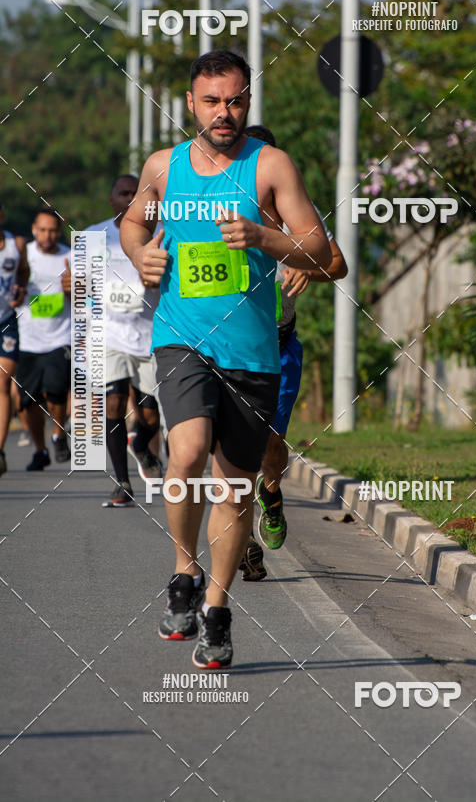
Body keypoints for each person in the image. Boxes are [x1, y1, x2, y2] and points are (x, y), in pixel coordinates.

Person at [121, 49, 331, 668]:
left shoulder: (271, 166)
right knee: (186, 454)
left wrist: (265, 237)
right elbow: (133, 224)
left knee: (235, 490)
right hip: (181, 337)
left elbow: (320, 250)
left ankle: (216, 608)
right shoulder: (162, 167)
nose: (224, 112)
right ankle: (183, 570)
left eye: (235, 100)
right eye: (211, 101)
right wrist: (139, 254)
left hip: (253, 352)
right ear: (191, 103)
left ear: (247, 102)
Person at [238, 127, 348, 580]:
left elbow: (337, 264)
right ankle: (241, 539)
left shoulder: (297, 213)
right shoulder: (217, 209)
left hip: (280, 347)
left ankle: (271, 492)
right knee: (227, 447)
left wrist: (310, 270)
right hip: (228, 346)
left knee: (270, 446)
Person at [86, 175, 163, 508]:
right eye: (124, 193)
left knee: (151, 417)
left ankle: (140, 444)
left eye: (137, 193)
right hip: (109, 335)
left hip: (151, 335)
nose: (131, 198)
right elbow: (78, 288)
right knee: (114, 403)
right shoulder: (92, 236)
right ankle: (122, 482)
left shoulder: (164, 233)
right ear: (111, 199)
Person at [17, 208, 71, 470]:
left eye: (52, 230)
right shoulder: (23, 255)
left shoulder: (70, 256)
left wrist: (74, 289)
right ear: (33, 230)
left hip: (60, 337)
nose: (47, 235)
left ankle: (58, 435)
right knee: (28, 400)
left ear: (58, 232)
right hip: (27, 339)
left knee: (56, 390)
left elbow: (86, 297)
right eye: (42, 230)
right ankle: (40, 450)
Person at [0, 203, 29, 475]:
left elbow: (23, 272)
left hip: (6, 320)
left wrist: (20, 290)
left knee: (2, 382)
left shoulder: (16, 244)